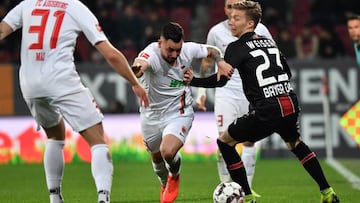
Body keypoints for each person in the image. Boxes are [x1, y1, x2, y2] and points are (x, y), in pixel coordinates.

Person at [0, 1, 149, 203]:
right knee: (97, 139)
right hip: (61, 80)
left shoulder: (28, 4)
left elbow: (2, 30)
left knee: (54, 135)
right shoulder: (74, 7)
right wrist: (134, 82)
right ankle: (103, 198)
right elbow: (110, 53)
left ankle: (55, 198)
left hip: (29, 83)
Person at [191, 1, 340, 203]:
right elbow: (286, 72)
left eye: (237, 19)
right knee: (295, 144)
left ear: (250, 24)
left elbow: (221, 79)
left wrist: (193, 81)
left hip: (267, 109)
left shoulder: (236, 47)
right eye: (230, 17)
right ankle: (328, 193)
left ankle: (248, 196)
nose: (231, 22)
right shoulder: (269, 42)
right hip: (289, 103)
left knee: (224, 142)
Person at [131, 22, 233, 203]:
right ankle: (165, 183)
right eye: (170, 50)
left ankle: (175, 175)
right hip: (151, 115)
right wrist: (137, 70)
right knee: (156, 157)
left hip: (179, 112)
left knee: (167, 152)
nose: (175, 55)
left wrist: (221, 61)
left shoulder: (189, 50)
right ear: (160, 42)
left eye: (178, 50)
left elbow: (213, 51)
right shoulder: (151, 54)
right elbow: (141, 64)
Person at [196, 0, 273, 196]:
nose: (231, 10)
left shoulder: (261, 29)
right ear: (224, 8)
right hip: (226, 93)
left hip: (252, 93)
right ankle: (225, 187)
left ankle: (247, 190)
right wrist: (201, 92)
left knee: (249, 142)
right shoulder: (215, 32)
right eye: (228, 6)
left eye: (235, 6)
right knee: (225, 141)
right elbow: (207, 61)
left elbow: (272, 55)